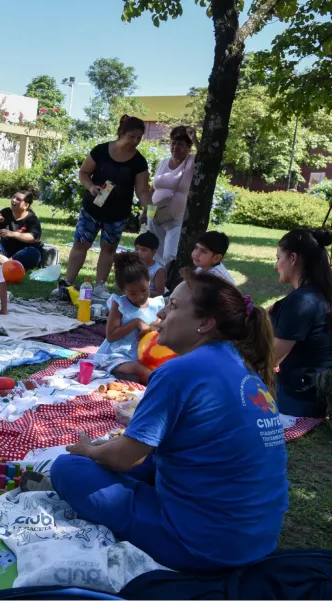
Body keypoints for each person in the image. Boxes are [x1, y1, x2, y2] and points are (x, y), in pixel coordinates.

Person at [48, 270, 288, 572]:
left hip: (202, 547)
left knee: (69, 468)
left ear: (205, 323)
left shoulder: (178, 372)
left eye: (173, 306)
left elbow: (124, 458)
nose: (160, 312)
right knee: (142, 460)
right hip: (258, 540)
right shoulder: (242, 366)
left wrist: (90, 451)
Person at [57, 115, 152, 300]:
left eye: (139, 138)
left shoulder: (139, 161)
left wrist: (149, 207)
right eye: (131, 136)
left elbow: (142, 190)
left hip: (118, 213)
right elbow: (84, 172)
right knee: (80, 244)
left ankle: (100, 286)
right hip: (92, 209)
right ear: (122, 132)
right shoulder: (101, 150)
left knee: (108, 249)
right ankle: (67, 283)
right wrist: (91, 187)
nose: (135, 141)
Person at [271, 229, 332, 417]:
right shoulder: (320, 292)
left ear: (292, 258)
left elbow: (270, 358)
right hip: (331, 390)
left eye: (278, 258)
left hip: (306, 397)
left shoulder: (301, 301)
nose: (276, 266)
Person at [91, 253, 165, 384]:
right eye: (132, 293)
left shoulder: (157, 304)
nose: (140, 297)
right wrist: (136, 323)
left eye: (144, 290)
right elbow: (111, 336)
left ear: (149, 281)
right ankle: (159, 383)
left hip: (147, 355)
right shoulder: (120, 305)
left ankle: (145, 377)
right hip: (120, 356)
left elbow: (163, 326)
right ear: (123, 290)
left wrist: (157, 326)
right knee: (136, 368)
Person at [145, 126, 196, 267]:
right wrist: (144, 211)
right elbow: (152, 188)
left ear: (189, 147)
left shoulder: (192, 161)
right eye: (173, 143)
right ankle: (157, 279)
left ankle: (170, 279)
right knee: (154, 252)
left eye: (180, 144)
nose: (175, 147)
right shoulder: (163, 162)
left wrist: (195, 139)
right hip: (154, 214)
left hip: (176, 218)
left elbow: (206, 158)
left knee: (170, 255)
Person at [0, 189, 42, 270]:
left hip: (22, 253)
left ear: (26, 205)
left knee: (34, 253)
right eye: (13, 197)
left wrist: (13, 234)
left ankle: (3, 263)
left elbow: (34, 238)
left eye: (18, 199)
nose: (13, 200)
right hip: (4, 250)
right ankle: (9, 264)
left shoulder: (32, 219)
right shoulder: (5, 212)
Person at [134, 231, 165, 297]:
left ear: (154, 252)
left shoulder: (158, 270)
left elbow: (160, 293)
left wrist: (140, 291)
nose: (138, 252)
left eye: (143, 250)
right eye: (136, 249)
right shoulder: (133, 265)